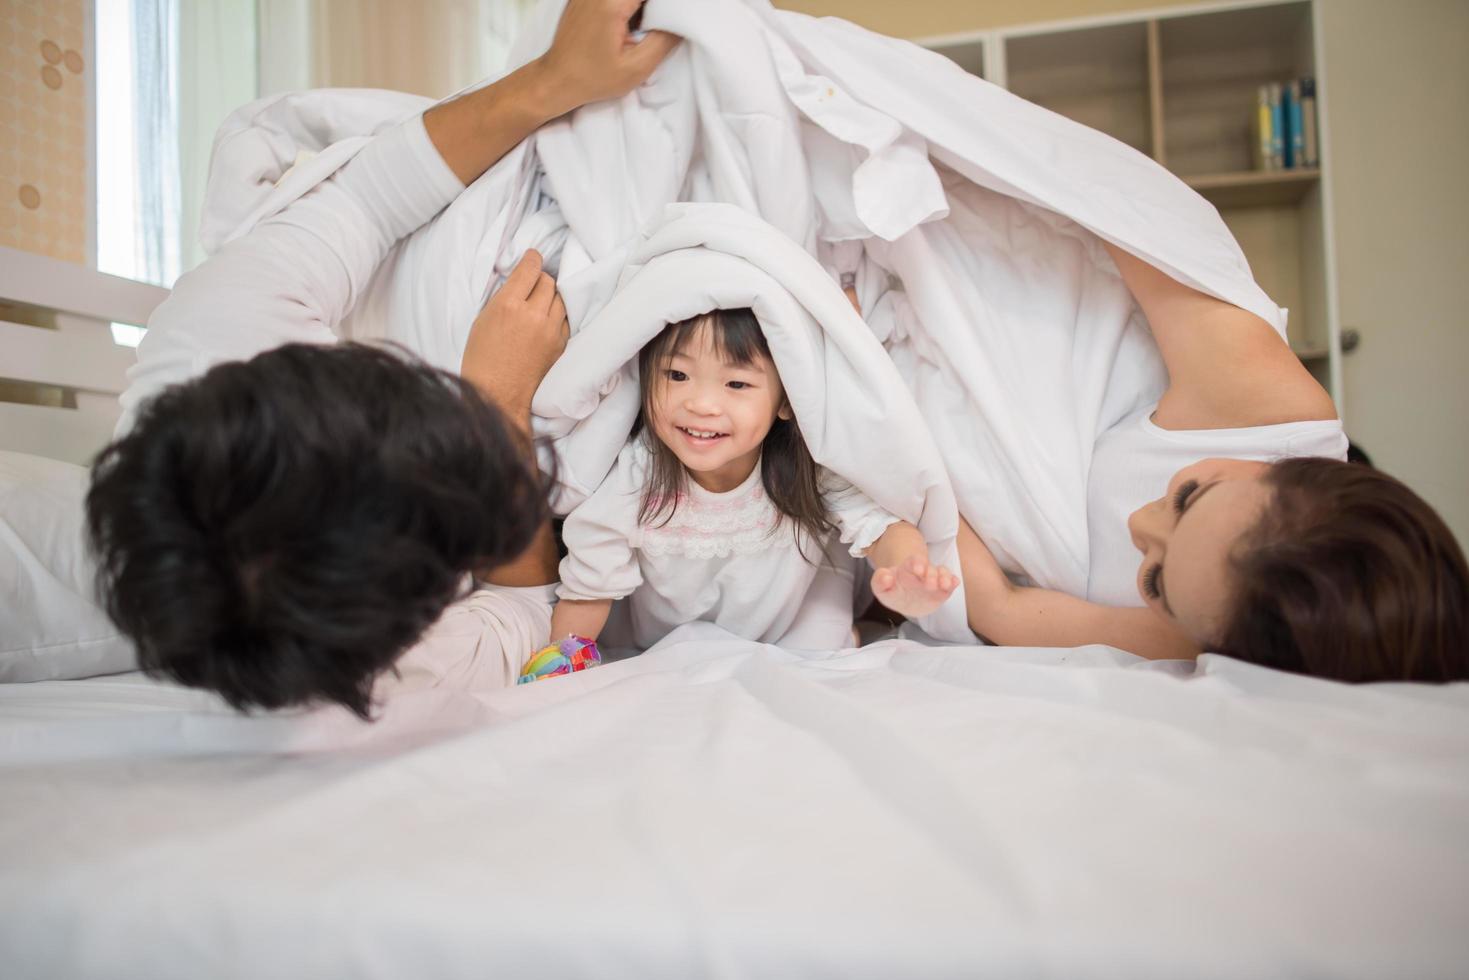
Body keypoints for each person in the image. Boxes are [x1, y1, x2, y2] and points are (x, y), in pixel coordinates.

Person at [85, 0, 680, 717]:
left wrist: (554, 79)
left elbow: (367, 199)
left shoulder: (218, 333)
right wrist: (496, 406)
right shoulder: (403, 663)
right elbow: (522, 608)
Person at [957, 242, 1469, 683]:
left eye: (1155, 581)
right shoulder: (1269, 410)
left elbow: (1001, 609)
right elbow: (1116, 211)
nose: (1137, 521)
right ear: (1287, 465)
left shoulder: (1207, 628)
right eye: (1186, 497)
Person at [548, 307, 958, 650]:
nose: (701, 404)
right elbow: (589, 589)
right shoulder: (638, 477)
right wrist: (556, 671)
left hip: (780, 635)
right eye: (677, 375)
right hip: (659, 645)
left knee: (821, 646)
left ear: (786, 401)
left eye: (737, 383)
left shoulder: (808, 469)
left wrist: (908, 571)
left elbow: (883, 527)